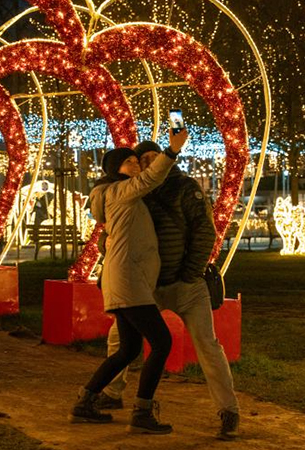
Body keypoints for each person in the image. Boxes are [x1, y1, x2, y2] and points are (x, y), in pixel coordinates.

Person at [93, 136, 241, 441]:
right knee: (119, 337)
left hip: (186, 284)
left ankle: (229, 411)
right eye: (139, 159)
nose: (145, 163)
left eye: (150, 157)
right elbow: (110, 231)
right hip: (149, 286)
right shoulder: (133, 190)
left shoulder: (184, 187)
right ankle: (112, 391)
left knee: (207, 345)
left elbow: (204, 231)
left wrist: (190, 271)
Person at [69, 129, 187, 434]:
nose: (137, 165)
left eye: (137, 160)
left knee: (128, 350)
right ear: (116, 170)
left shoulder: (119, 194)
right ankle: (142, 412)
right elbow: (150, 179)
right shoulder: (121, 191)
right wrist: (171, 151)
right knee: (161, 342)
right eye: (130, 162)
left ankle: (84, 402)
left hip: (125, 281)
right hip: (129, 281)